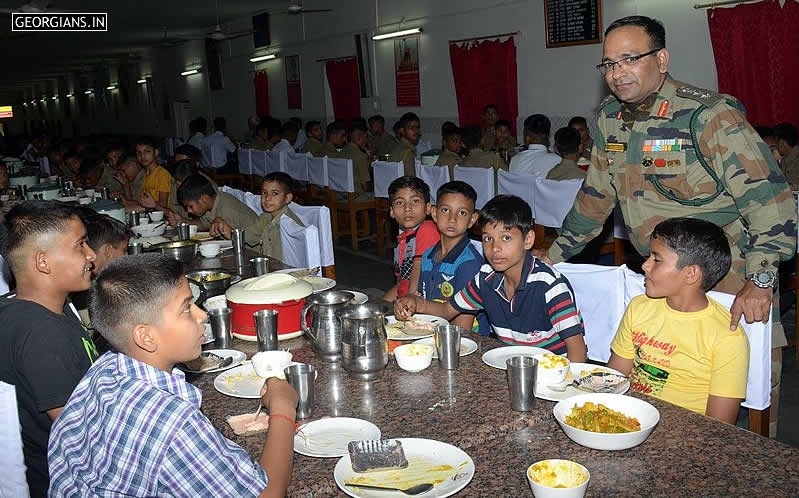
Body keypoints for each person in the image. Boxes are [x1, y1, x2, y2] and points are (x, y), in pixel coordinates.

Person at [540, 15, 796, 437]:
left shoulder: (707, 115)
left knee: (748, 397)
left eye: (629, 59)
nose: (616, 72)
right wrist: (552, 255)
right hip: (662, 277)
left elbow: (772, 202)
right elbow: (595, 199)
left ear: (661, 59)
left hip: (730, 278)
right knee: (661, 382)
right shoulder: (609, 120)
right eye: (607, 64)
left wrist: (763, 278)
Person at [48, 254, 298, 497]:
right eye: (187, 308)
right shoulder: (175, 424)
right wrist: (283, 409)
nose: (202, 315)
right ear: (146, 337)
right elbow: (268, 494)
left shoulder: (104, 368)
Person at [394, 194, 587, 361]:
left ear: (528, 240)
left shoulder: (549, 285)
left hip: (551, 371)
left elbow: (578, 352)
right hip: (509, 364)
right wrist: (415, 303)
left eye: (506, 238)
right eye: (488, 239)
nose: (495, 248)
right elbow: (446, 310)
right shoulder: (486, 278)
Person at [0, 201, 99, 497]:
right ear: (43, 262)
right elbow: (82, 438)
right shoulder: (42, 335)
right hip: (63, 482)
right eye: (80, 245)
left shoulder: (25, 305)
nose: (91, 255)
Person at [608, 218, 749, 424]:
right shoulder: (640, 307)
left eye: (657, 260)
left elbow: (719, 426)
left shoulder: (727, 336)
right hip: (630, 416)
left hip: (686, 432)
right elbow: (614, 378)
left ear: (690, 274)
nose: (645, 265)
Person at [418, 181, 489, 334]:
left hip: (467, 340)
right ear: (434, 213)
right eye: (445, 210)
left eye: (462, 213)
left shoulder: (469, 263)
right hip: (435, 330)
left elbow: (463, 327)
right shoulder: (427, 256)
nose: (452, 219)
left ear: (472, 219)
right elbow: (421, 299)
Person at [382, 176, 440, 302]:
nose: (407, 208)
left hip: (422, 304)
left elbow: (417, 268)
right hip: (406, 302)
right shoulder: (402, 240)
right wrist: (382, 305)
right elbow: (401, 284)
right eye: (399, 203)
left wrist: (410, 300)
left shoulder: (427, 229)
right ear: (391, 211)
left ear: (428, 208)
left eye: (415, 201)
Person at [241, 172, 305, 261]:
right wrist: (227, 230)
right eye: (264, 192)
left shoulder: (288, 225)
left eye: (274, 193)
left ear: (287, 198)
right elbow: (246, 237)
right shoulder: (265, 217)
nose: (267, 198)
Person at [178, 174, 259, 238]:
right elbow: (204, 224)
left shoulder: (228, 210)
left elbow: (236, 239)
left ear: (204, 199)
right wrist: (182, 220)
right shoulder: (211, 204)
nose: (188, 210)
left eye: (190, 206)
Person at [135, 137, 172, 210]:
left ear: (156, 152)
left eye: (147, 151)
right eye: (139, 153)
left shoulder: (162, 174)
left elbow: (164, 204)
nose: (142, 156)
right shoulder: (145, 174)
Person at [341, 123, 374, 198]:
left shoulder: (341, 152)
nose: (367, 141)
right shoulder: (360, 156)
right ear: (359, 138)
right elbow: (365, 187)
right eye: (366, 137)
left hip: (341, 194)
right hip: (357, 195)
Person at [389, 113, 422, 177]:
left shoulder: (399, 146)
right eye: (411, 128)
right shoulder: (407, 152)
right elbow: (411, 180)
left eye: (417, 127)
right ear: (402, 130)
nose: (416, 131)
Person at [773, 122, 799, 188]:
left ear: (781, 143)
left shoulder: (795, 160)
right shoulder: (784, 159)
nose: (776, 148)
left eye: (776, 144)